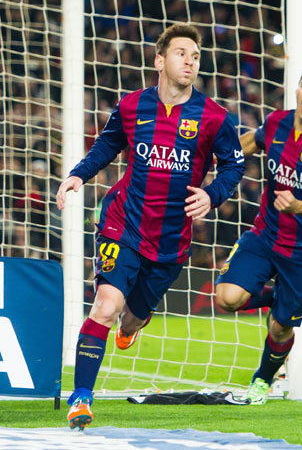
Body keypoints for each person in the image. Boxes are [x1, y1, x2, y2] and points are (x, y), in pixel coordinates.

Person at [56, 24, 245, 429]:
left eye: (195, 55)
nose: (190, 61)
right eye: (181, 53)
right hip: (122, 224)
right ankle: (82, 397)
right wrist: (78, 175)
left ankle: (134, 324)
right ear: (160, 61)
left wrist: (213, 195)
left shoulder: (213, 117)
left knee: (130, 319)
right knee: (106, 307)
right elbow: (108, 144)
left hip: (171, 240)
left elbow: (234, 165)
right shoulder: (131, 106)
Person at [214, 61, 302, 404]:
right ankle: (289, 299)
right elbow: (253, 141)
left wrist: (299, 207)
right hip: (266, 233)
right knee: (227, 297)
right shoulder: (277, 122)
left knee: (280, 327)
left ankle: (262, 377)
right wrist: (217, 156)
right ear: (297, 88)